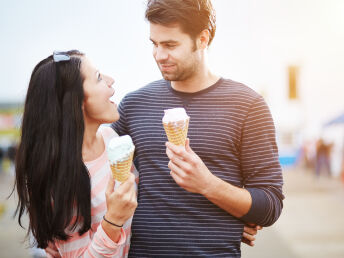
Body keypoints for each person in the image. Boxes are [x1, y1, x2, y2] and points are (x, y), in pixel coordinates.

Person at [111, 0, 284, 256]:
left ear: (202, 39)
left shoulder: (247, 105)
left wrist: (208, 185)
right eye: (154, 44)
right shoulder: (134, 105)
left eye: (170, 45)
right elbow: (95, 174)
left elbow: (270, 204)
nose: (159, 55)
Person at [14, 50, 137, 257]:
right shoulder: (61, 179)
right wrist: (113, 221)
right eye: (98, 78)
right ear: (77, 101)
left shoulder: (110, 137)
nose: (111, 80)